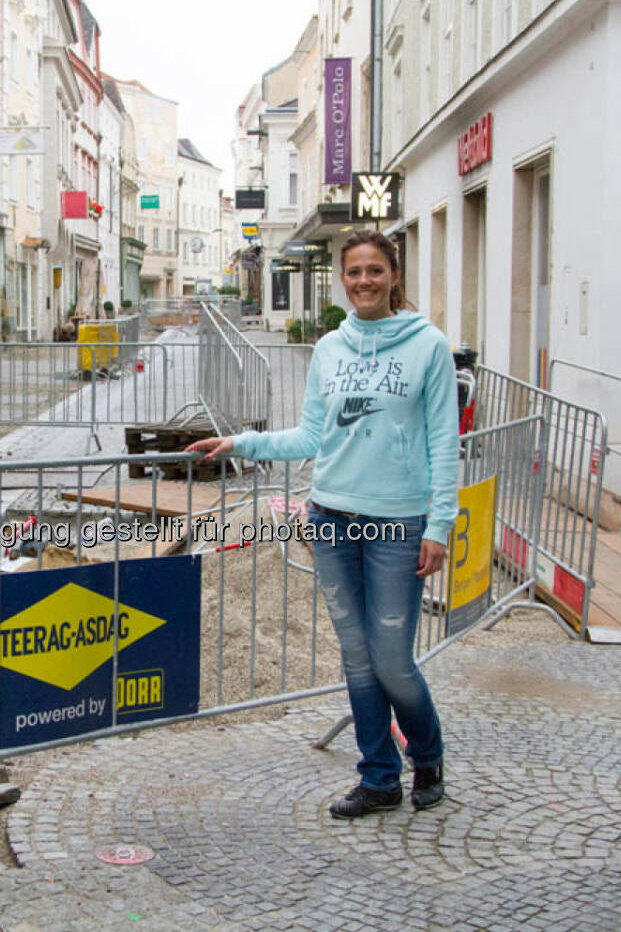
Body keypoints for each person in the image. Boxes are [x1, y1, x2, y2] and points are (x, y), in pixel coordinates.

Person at [187, 229, 458, 817]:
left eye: (375, 271)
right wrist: (242, 440)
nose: (364, 281)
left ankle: (428, 755)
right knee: (357, 659)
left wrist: (440, 525)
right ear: (343, 277)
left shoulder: (428, 346)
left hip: (397, 526)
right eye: (354, 271)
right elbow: (312, 435)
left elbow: (444, 440)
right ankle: (379, 777)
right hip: (331, 519)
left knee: (392, 659)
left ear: (394, 276)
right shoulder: (331, 348)